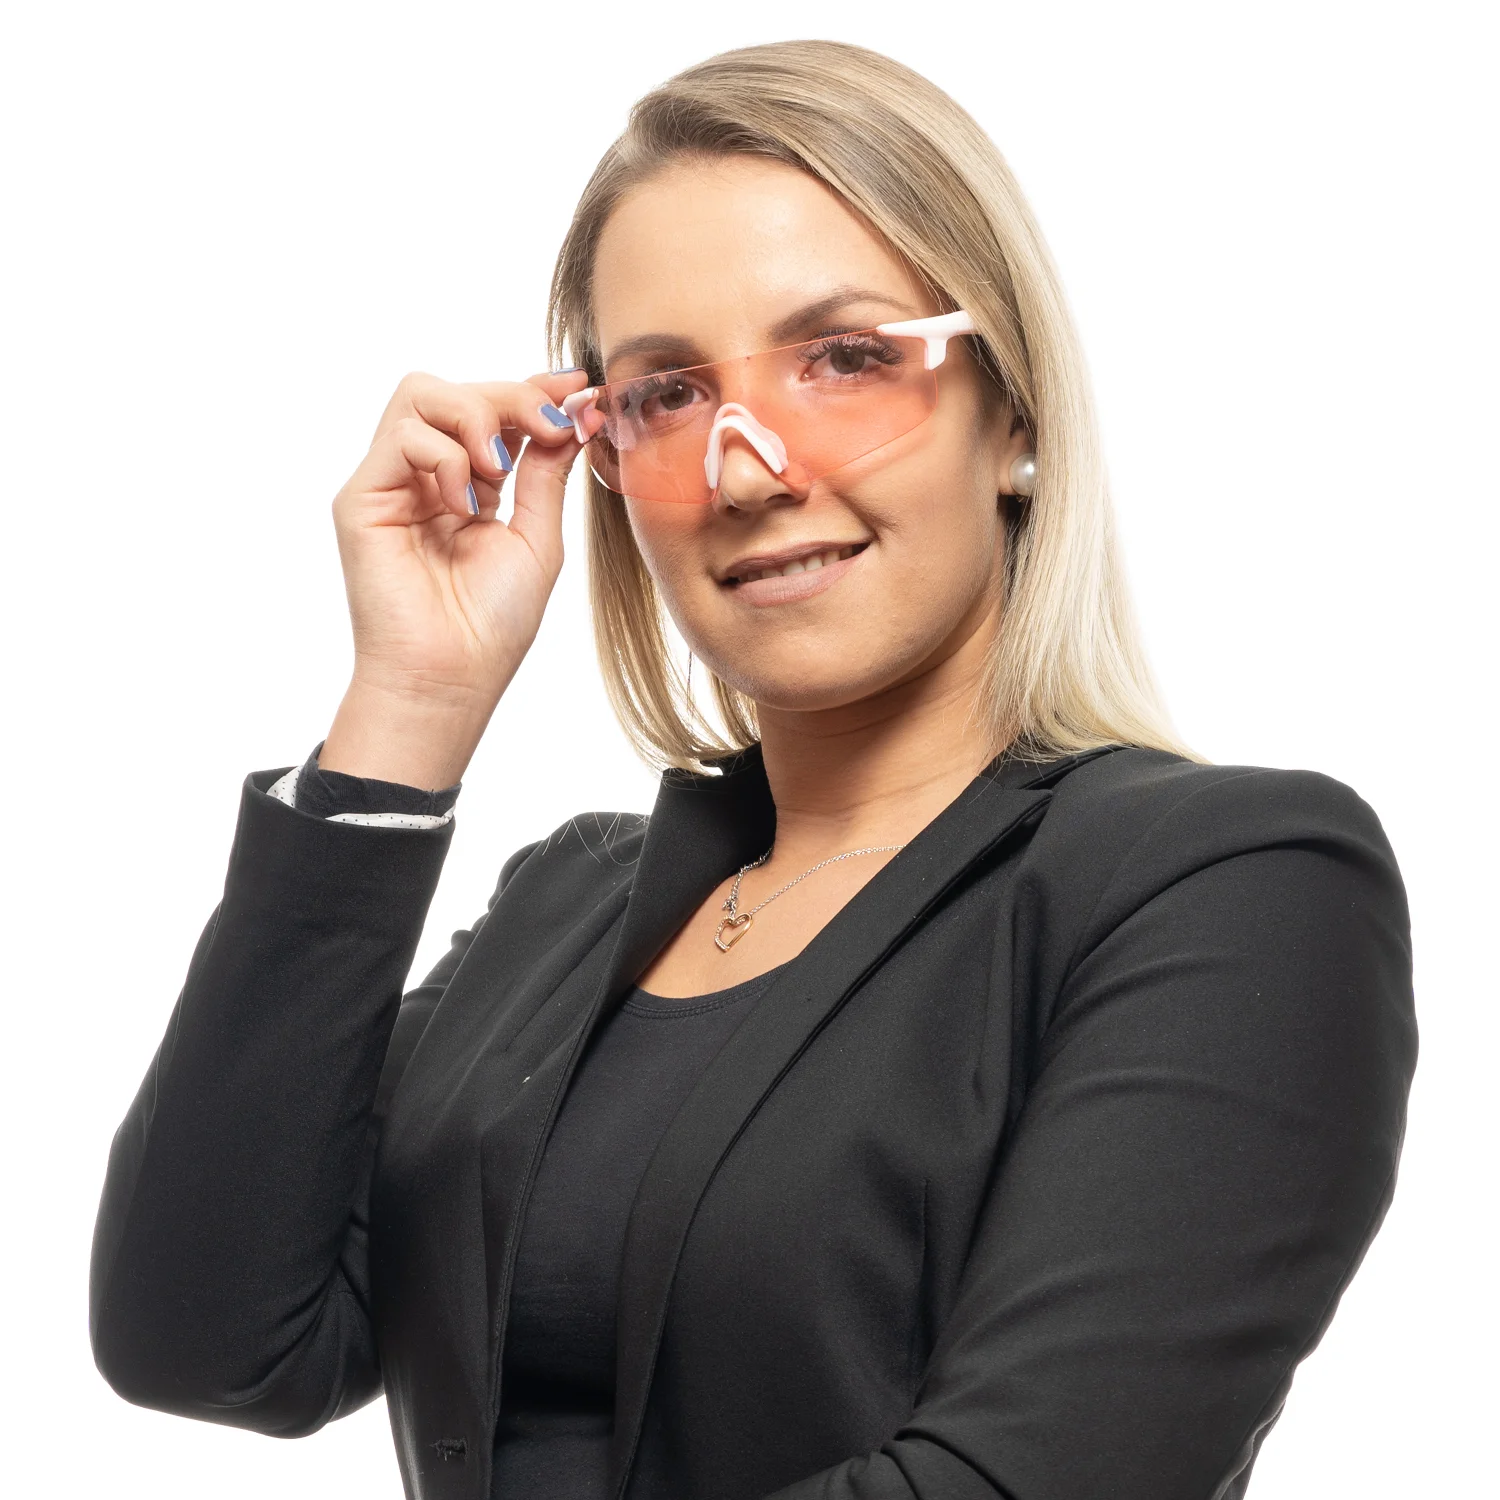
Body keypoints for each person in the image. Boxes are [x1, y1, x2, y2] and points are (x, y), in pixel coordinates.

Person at [87, 38, 1417, 1500]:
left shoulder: (1228, 887)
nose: (743, 468)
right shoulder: (569, 908)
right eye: (665, 394)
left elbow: (1022, 1480)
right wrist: (411, 704)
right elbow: (203, 1337)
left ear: (1016, 419)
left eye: (845, 360)